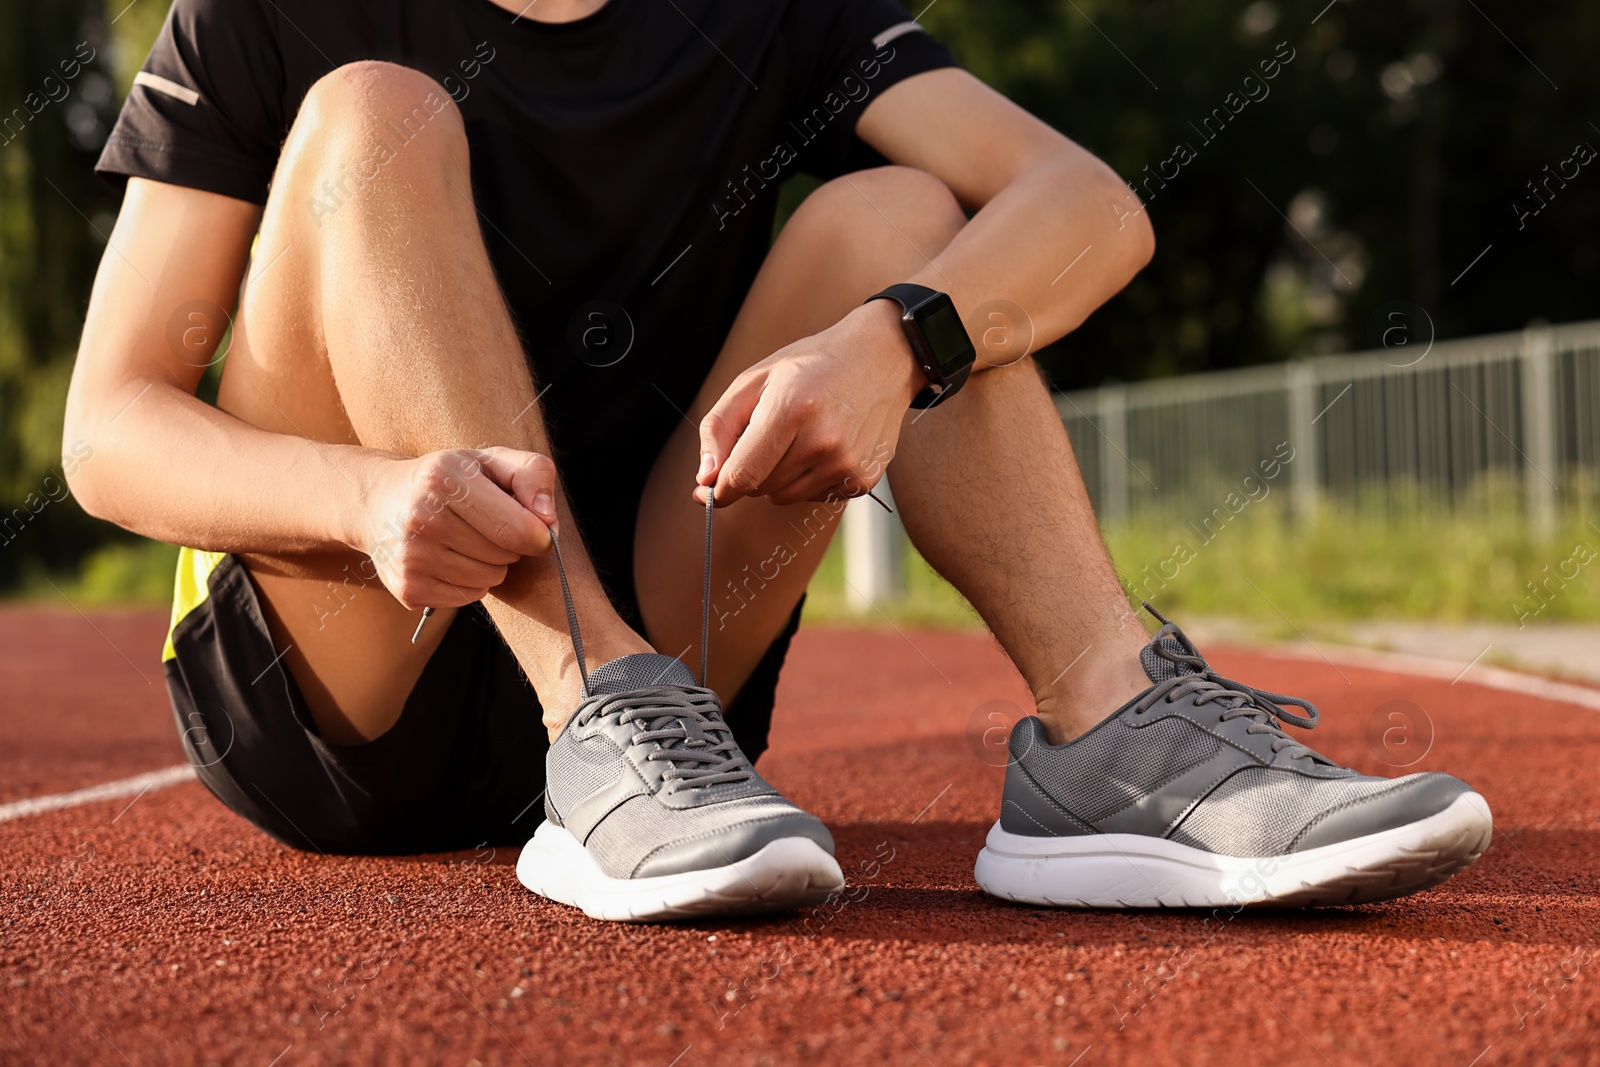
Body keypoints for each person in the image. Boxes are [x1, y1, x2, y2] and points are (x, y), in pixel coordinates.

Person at [66, 0, 1491, 922]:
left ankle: (1108, 722)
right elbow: (107, 429)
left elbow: (1086, 203)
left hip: (688, 725)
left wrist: (896, 347)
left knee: (903, 223)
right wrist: (364, 498)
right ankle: (587, 702)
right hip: (350, 675)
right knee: (376, 111)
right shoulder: (259, 11)